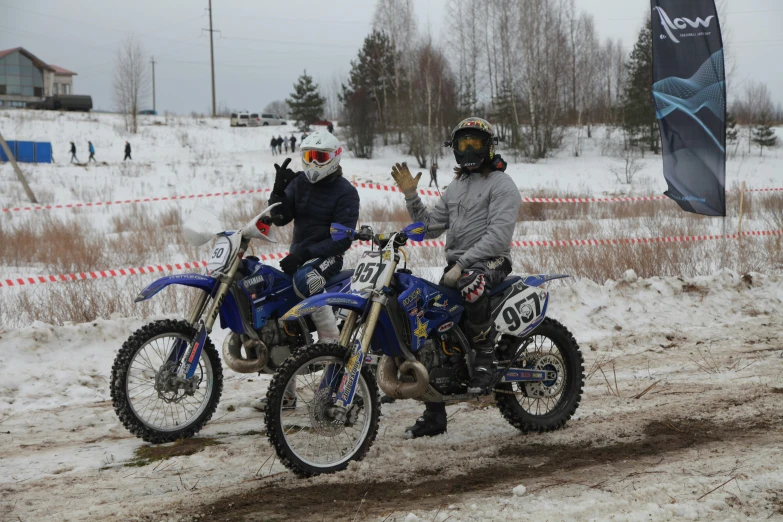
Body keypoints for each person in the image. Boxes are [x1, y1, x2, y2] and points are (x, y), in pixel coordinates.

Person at [390, 117, 520, 439]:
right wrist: (410, 197)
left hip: (491, 262)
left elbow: (498, 236)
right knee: (427, 316)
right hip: (457, 266)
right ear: (455, 149)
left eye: (475, 142)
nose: (469, 149)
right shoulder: (455, 187)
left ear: (489, 146)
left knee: (471, 285)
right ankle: (434, 412)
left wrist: (463, 265)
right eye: (463, 144)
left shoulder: (502, 185)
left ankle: (485, 362)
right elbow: (430, 226)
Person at [253, 129, 360, 411]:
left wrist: (305, 253)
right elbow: (280, 217)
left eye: (319, 157)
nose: (313, 163)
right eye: (308, 156)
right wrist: (277, 193)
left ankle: (330, 339)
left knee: (305, 278)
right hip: (297, 256)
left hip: (326, 258)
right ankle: (284, 396)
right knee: (282, 315)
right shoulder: (300, 182)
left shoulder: (346, 192)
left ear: (334, 158)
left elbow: (342, 239)